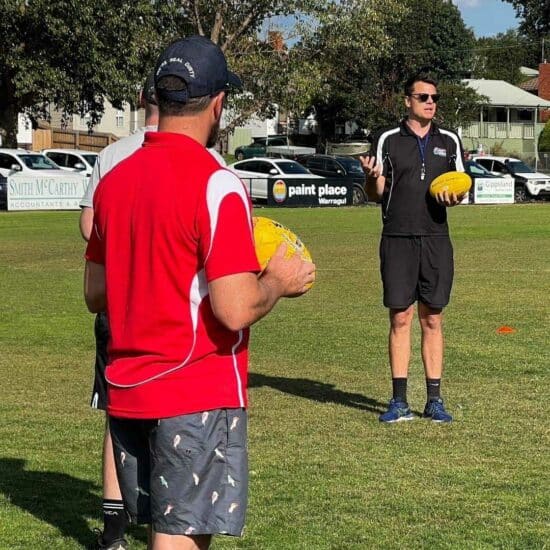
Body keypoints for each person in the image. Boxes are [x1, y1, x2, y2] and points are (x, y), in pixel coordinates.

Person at [84, 35, 315, 550]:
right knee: (178, 540)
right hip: (194, 391)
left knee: (159, 534)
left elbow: (95, 293)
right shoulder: (218, 183)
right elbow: (234, 310)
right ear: (218, 104)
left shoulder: (113, 183)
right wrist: (278, 281)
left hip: (128, 391)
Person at [79, 73, 159, 550]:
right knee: (170, 418)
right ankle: (160, 520)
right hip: (174, 311)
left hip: (119, 304)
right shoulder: (201, 159)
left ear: (140, 101)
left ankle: (113, 530)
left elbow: (90, 227)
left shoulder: (112, 155)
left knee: (117, 412)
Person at [360, 73, 465, 424]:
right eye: (423, 97)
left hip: (436, 239)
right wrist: (372, 178)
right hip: (397, 238)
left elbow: (462, 186)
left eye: (434, 97)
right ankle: (399, 400)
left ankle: (434, 400)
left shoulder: (449, 140)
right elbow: (375, 194)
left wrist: (457, 196)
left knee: (433, 318)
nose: (430, 102)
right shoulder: (387, 140)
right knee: (401, 317)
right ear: (407, 101)